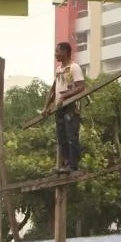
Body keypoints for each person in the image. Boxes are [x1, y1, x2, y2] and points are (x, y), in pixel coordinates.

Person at [42, 42, 86, 174]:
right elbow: (53, 89)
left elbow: (81, 87)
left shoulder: (74, 67)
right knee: (61, 137)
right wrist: (46, 106)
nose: (55, 54)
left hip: (71, 106)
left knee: (71, 136)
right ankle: (65, 164)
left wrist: (64, 97)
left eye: (57, 51)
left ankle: (73, 165)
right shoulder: (59, 69)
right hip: (59, 107)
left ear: (65, 52)